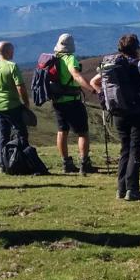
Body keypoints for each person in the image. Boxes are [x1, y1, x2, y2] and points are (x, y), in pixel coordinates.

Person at [91, 34, 140, 201]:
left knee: (125, 149)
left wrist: (104, 97)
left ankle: (121, 189)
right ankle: (132, 189)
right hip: (137, 111)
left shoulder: (112, 64)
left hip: (118, 112)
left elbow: (94, 82)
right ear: (136, 48)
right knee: (136, 149)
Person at [51, 33, 99, 174]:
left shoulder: (55, 59)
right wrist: (92, 89)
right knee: (82, 132)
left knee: (62, 131)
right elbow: (76, 75)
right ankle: (84, 163)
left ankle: (66, 163)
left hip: (57, 100)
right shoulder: (70, 58)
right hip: (72, 101)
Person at [0, 42, 32, 173]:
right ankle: (22, 162)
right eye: (12, 50)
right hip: (12, 105)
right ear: (9, 52)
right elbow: (20, 86)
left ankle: (2, 164)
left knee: (2, 135)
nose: (13, 53)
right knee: (21, 133)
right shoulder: (12, 66)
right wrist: (26, 103)